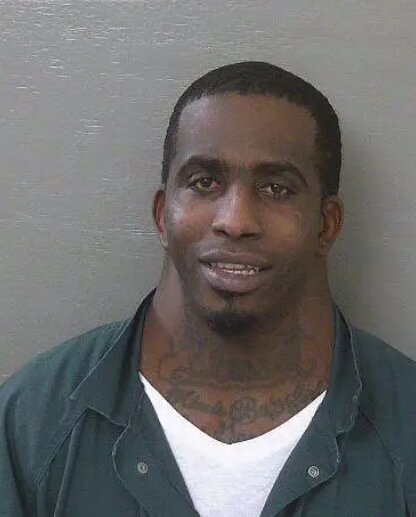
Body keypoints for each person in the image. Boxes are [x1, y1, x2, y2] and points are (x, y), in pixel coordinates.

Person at [1, 61, 416, 517]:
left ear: (326, 224)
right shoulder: (31, 422)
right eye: (205, 183)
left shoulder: (406, 428)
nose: (235, 221)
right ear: (163, 214)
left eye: (276, 188)